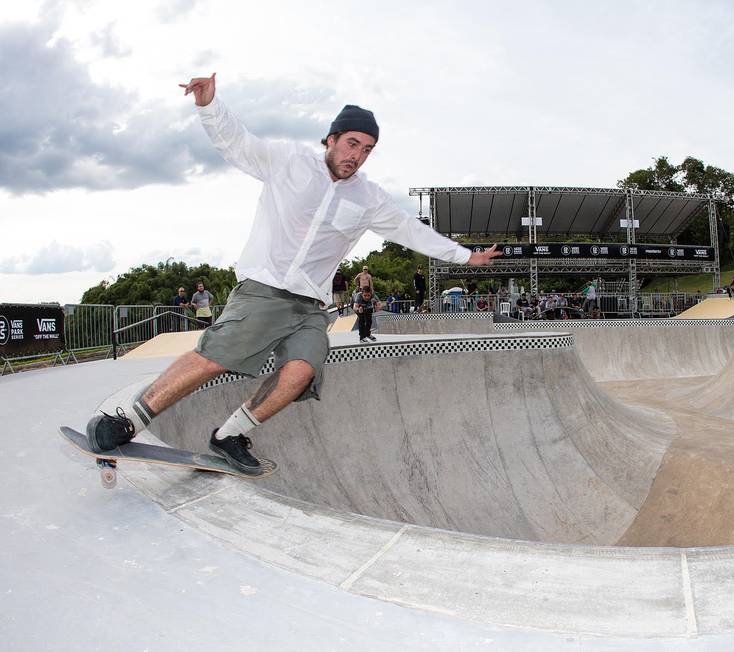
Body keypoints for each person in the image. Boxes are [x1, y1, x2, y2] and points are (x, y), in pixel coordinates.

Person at [83, 72, 501, 474]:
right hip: (264, 290)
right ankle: (130, 420)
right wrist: (210, 105)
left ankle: (230, 436)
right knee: (215, 358)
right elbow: (239, 144)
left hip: (310, 307)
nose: (356, 156)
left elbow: (411, 230)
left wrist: (467, 258)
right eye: (352, 144)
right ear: (332, 139)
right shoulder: (288, 160)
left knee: (301, 373)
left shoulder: (370, 198)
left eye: (367, 149)